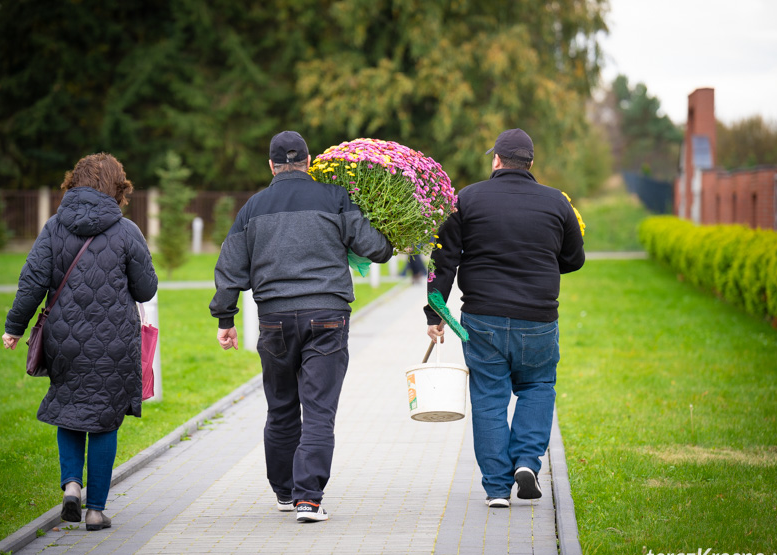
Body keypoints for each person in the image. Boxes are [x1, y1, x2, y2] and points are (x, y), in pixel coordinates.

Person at [210, 131, 393, 522]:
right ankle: (309, 499)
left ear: (272, 166)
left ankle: (284, 492)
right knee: (319, 410)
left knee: (281, 409)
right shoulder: (334, 198)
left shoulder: (252, 208)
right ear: (309, 162)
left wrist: (226, 318)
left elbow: (229, 268)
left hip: (274, 320)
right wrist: (391, 234)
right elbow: (375, 248)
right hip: (327, 316)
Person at [424, 129, 584, 508]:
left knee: (490, 399)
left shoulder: (466, 199)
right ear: (531, 163)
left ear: (496, 160)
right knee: (538, 386)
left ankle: (497, 489)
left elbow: (444, 259)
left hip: (482, 320)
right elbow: (573, 259)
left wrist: (435, 313)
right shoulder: (557, 202)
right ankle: (527, 461)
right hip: (538, 319)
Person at [2, 153, 158, 530]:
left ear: (74, 184)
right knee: (104, 420)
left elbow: (32, 281)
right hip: (114, 343)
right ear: (116, 188)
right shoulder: (127, 231)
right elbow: (146, 288)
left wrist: (14, 326)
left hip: (64, 341)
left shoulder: (54, 227)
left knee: (70, 409)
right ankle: (95, 511)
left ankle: (72, 487)